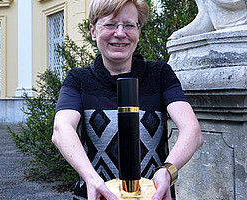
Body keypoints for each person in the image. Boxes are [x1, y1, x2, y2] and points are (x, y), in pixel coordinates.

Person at [52, 0, 204, 199]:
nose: (120, 33)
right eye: (110, 24)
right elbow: (61, 130)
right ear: (93, 31)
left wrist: (167, 171)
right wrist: (91, 178)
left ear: (138, 31)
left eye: (129, 25)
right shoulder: (79, 79)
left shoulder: (159, 75)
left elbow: (192, 131)